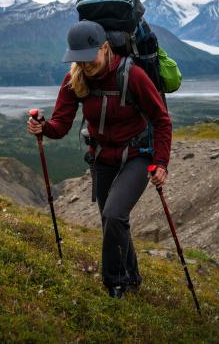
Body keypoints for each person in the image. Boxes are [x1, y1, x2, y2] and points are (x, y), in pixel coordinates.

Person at [27, 19, 172, 299]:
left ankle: (114, 284)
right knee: (112, 222)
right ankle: (132, 277)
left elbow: (161, 120)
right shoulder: (75, 79)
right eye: (78, 59)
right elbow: (60, 125)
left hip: (137, 155)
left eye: (88, 58)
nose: (85, 65)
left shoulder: (133, 75)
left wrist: (161, 162)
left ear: (105, 47)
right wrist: (42, 127)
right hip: (102, 156)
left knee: (114, 214)